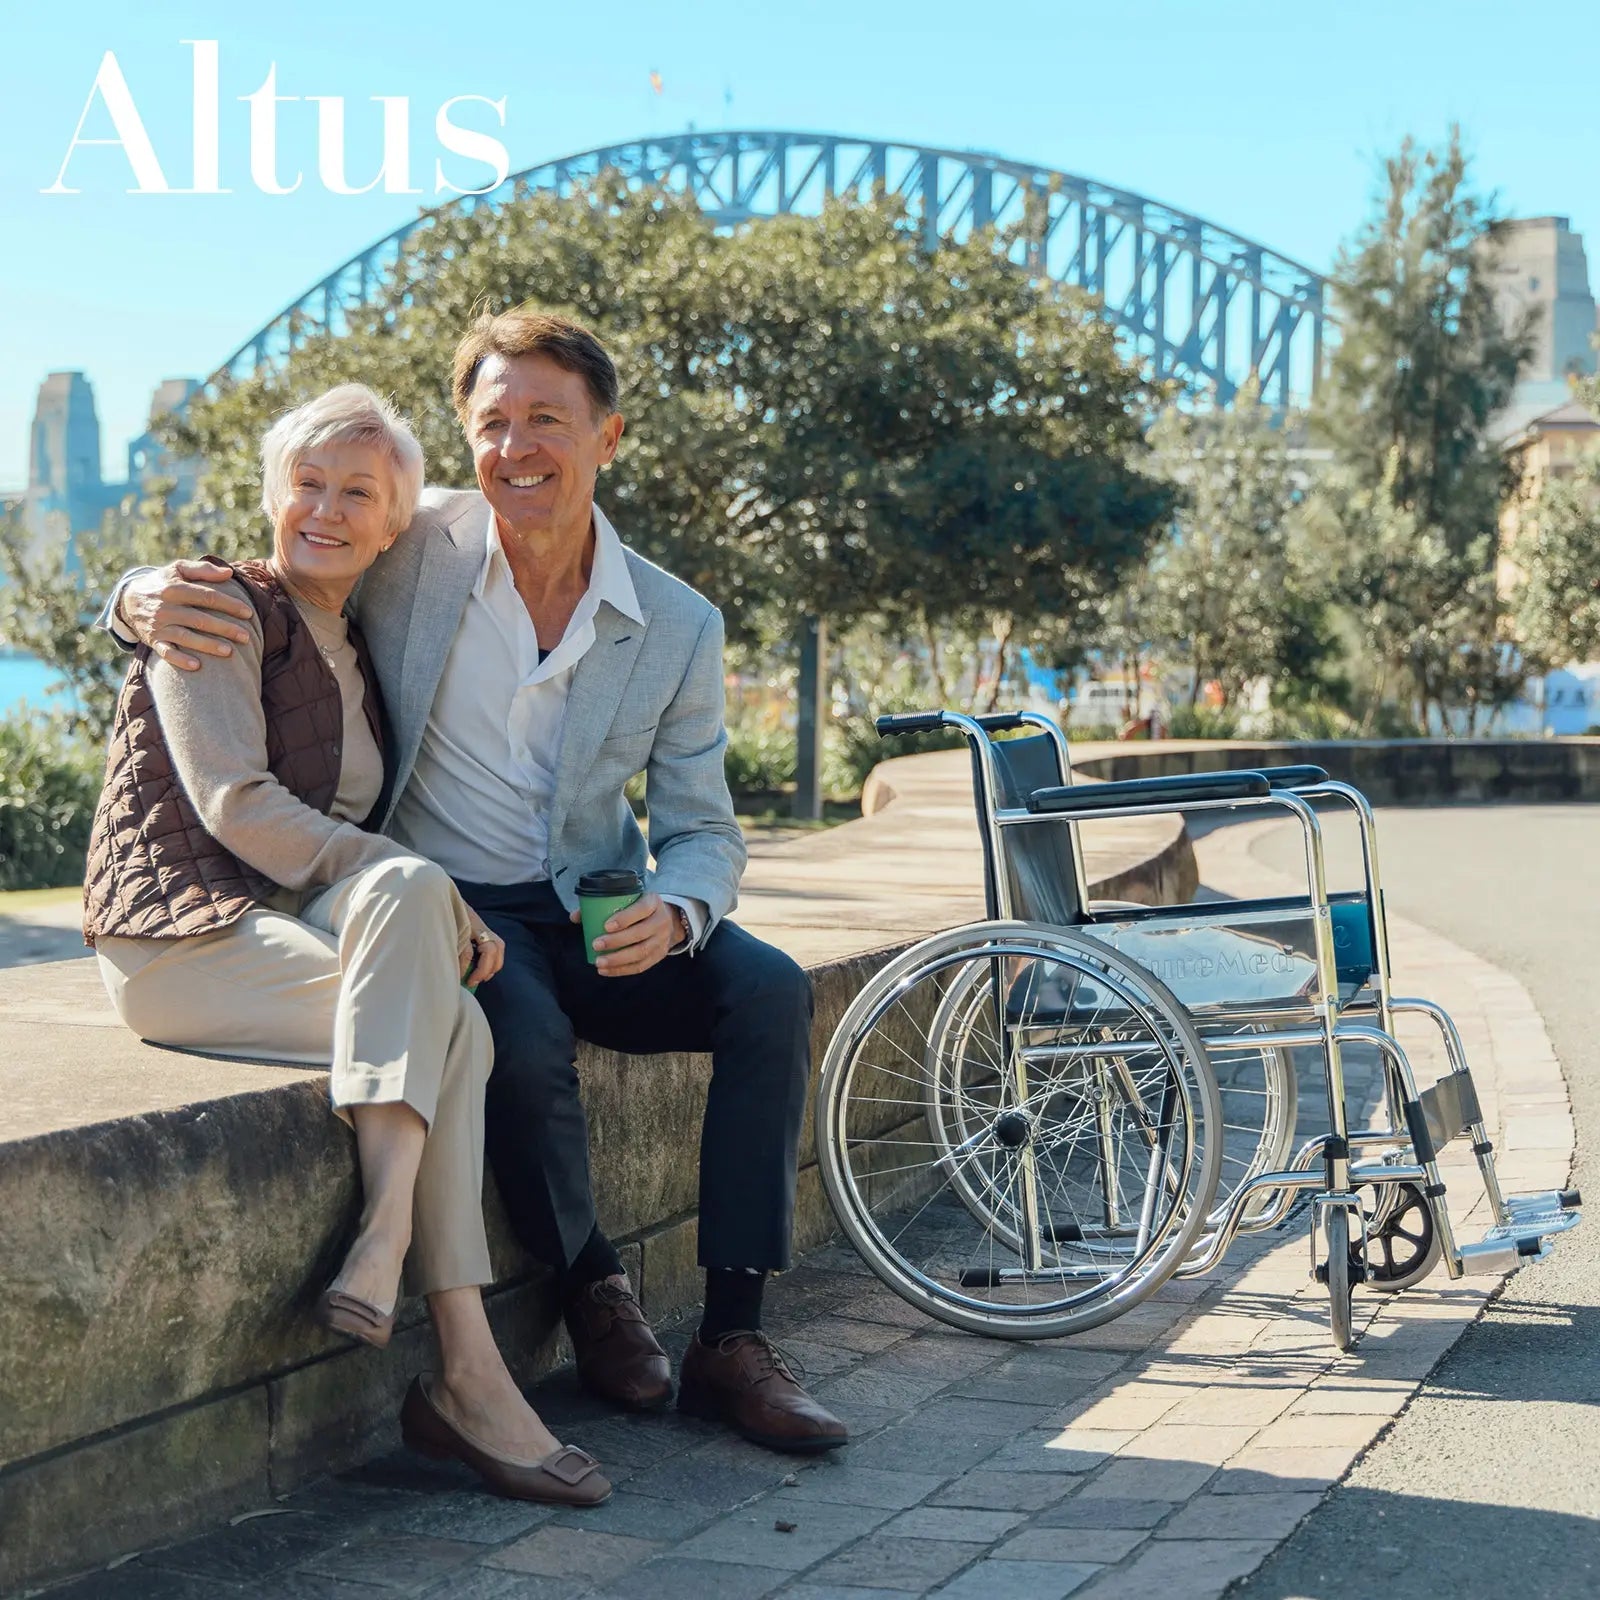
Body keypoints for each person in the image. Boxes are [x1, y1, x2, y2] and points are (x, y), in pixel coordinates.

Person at [111, 312, 847, 1453]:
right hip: (447, 903)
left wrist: (682, 906)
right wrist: (132, 595)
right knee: (518, 1029)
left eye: (545, 419)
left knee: (766, 993)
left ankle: (732, 1338)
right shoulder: (414, 551)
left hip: (600, 908)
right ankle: (594, 1284)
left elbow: (706, 830)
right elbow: (282, 555)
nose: (516, 447)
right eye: (491, 422)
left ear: (607, 435)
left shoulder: (677, 622)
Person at [87, 384, 610, 1507]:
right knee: (438, 966)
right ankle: (438, 1324)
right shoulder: (217, 609)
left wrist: (412, 887)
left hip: (285, 939)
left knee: (457, 1015)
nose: (325, 509)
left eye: (356, 493)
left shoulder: (361, 641)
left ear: (392, 525)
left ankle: (448, 1345)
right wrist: (128, 595)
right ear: (271, 497)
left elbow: (527, 508)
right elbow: (237, 806)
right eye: (306, 484)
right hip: (183, 944)